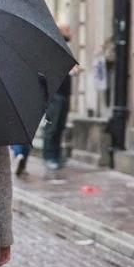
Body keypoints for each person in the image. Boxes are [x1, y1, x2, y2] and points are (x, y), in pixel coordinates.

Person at [42, 23, 75, 171]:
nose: (70, 33)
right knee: (52, 127)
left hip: (64, 92)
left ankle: (56, 154)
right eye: (67, 30)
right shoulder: (52, 48)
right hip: (55, 94)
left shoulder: (64, 48)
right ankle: (49, 156)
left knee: (60, 126)